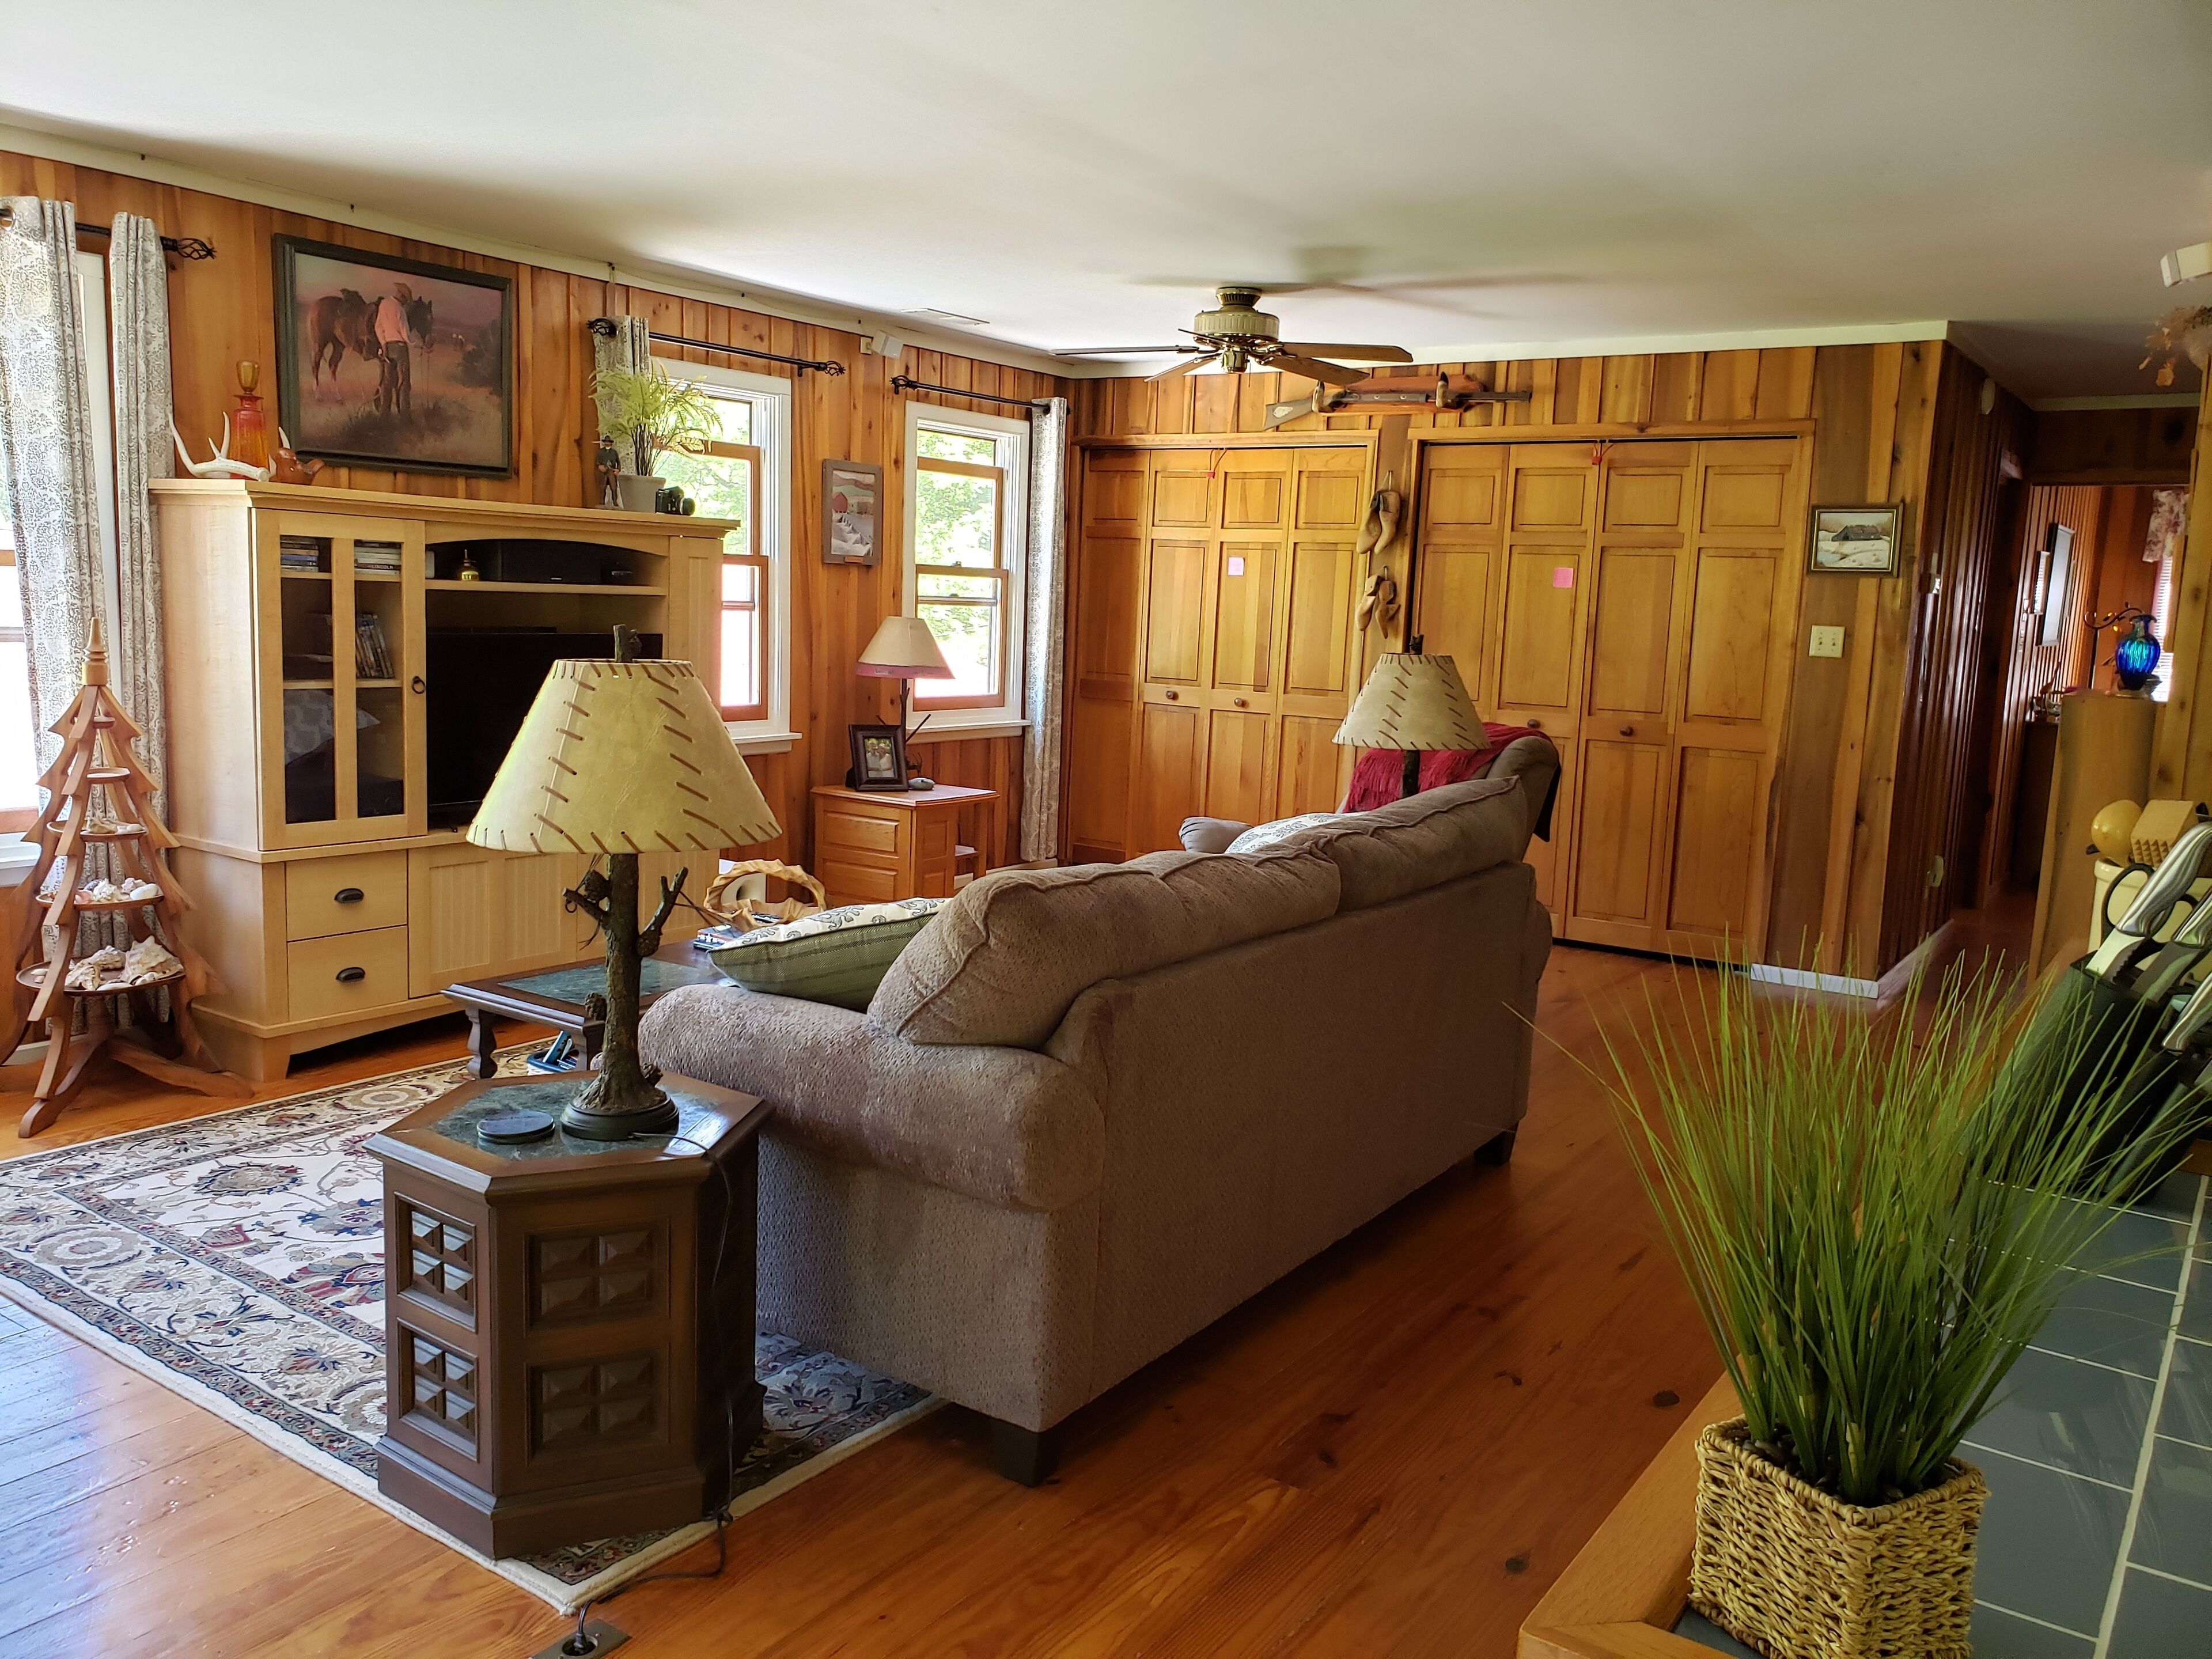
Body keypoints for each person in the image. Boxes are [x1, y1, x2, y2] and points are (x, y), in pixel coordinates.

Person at [373, 283, 415, 415]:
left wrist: (384, 345)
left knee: (387, 383)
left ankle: (384, 415)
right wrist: (421, 345)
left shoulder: (384, 304)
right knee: (404, 383)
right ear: (402, 296)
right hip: (401, 348)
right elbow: (406, 335)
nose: (406, 302)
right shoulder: (400, 310)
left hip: (388, 348)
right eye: (406, 299)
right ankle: (405, 417)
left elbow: (378, 328)